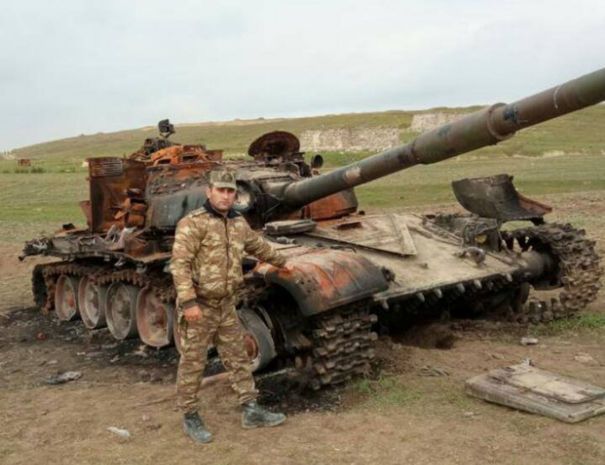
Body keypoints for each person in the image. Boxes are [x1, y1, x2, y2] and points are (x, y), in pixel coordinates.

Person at [170, 169, 289, 444]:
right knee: (193, 362)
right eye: (220, 190)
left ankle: (250, 409)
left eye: (230, 191)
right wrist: (188, 302)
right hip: (199, 305)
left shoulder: (238, 223)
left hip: (226, 305)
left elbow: (259, 247)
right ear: (208, 192)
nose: (225, 195)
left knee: (237, 357)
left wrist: (284, 263)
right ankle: (190, 415)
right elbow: (180, 266)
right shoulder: (192, 224)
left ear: (235, 194)